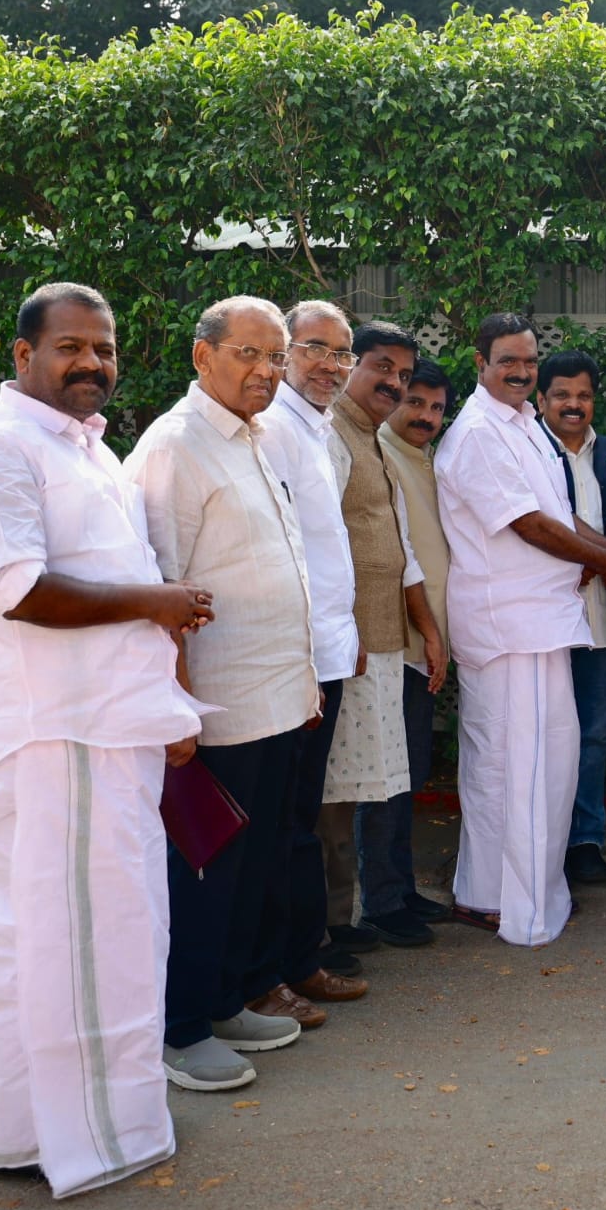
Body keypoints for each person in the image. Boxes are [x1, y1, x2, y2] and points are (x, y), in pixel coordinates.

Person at [0, 283, 209, 1196]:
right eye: (71, 348)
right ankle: (99, 1143)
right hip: (59, 734)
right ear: (23, 356)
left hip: (110, 729)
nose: (93, 364)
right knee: (92, 940)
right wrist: (157, 603)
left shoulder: (86, 449)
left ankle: (16, 1134)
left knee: (41, 938)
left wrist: (164, 704)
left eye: (106, 349)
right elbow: (25, 592)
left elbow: (109, 583)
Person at [125, 295, 319, 1090]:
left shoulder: (260, 438)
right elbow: (158, 588)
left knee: (256, 861)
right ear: (201, 356)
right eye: (249, 354)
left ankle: (230, 994)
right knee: (203, 870)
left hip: (276, 692)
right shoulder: (174, 447)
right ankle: (179, 1028)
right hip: (215, 705)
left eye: (275, 358)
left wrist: (303, 681)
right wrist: (175, 709)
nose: (266, 372)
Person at [435, 313, 606, 945]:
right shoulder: (479, 432)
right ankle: (491, 899)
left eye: (529, 362)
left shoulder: (527, 423)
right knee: (504, 771)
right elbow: (529, 525)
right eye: (507, 359)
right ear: (479, 361)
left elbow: (562, 515)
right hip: (504, 627)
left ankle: (534, 893)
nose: (520, 371)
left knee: (549, 769)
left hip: (545, 625)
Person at [255, 300, 372, 998]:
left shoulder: (315, 428)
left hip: (326, 652)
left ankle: (300, 963)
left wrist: (344, 636)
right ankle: (275, 972)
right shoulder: (272, 429)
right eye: (315, 349)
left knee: (299, 817)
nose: (330, 364)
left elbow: (326, 547)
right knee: (282, 823)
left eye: (341, 353)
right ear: (284, 352)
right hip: (291, 659)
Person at [320, 321, 447, 951]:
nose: (395, 384)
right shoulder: (327, 437)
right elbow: (320, 549)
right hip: (351, 645)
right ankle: (332, 925)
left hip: (389, 640)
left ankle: (360, 911)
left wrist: (426, 627)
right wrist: (341, 631)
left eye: (404, 373)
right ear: (348, 366)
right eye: (383, 369)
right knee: (340, 792)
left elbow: (400, 553)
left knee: (380, 778)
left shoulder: (372, 443)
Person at [534, 350, 606, 886]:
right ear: (542, 399)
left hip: (600, 624)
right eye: (563, 395)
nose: (574, 404)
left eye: (584, 395)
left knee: (592, 735)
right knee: (544, 734)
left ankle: (585, 840)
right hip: (545, 620)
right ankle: (541, 839)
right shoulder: (527, 451)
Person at [379, 360, 456, 913]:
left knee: (410, 772)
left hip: (426, 646)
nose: (426, 416)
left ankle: (401, 891)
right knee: (385, 779)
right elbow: (400, 558)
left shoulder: (428, 461)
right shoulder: (381, 456)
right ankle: (383, 903)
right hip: (397, 643)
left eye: (436, 408)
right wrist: (428, 630)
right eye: (416, 403)